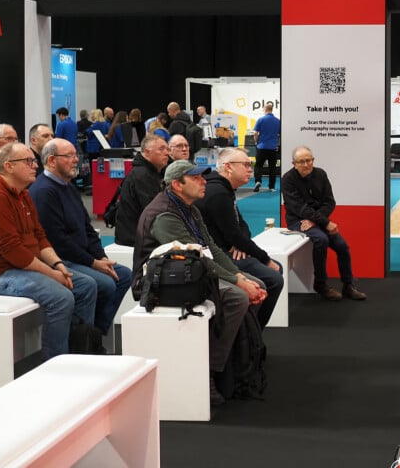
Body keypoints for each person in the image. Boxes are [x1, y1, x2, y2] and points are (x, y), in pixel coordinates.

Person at [134, 160, 265, 406]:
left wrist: (241, 276)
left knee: (256, 284)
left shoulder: (189, 207)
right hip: (160, 282)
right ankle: (211, 371)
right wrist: (239, 282)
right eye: (196, 178)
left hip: (185, 274)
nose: (204, 181)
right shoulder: (164, 214)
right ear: (177, 184)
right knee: (238, 297)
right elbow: (199, 260)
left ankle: (237, 356)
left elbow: (210, 248)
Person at [0, 142, 97, 359]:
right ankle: (55, 362)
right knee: (61, 297)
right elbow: (13, 251)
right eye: (28, 161)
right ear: (8, 166)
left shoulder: (23, 195)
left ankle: (81, 350)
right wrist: (52, 274)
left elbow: (40, 237)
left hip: (22, 267)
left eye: (34, 160)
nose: (35, 165)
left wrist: (59, 265)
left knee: (85, 286)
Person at [30, 138, 132, 336]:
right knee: (98, 283)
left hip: (81, 256)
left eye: (75, 154)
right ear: (51, 160)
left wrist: (101, 257)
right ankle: (81, 341)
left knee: (123, 275)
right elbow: (57, 241)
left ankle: (95, 333)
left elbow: (88, 228)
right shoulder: (44, 192)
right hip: (60, 260)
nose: (76, 159)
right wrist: (93, 263)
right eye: (69, 156)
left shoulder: (67, 186)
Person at [195, 148, 284, 328]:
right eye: (245, 165)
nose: (250, 169)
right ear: (228, 167)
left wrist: (240, 243)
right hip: (218, 256)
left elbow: (241, 226)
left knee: (274, 272)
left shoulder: (224, 189)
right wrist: (264, 258)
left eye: (250, 165)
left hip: (229, 250)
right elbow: (233, 233)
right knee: (274, 277)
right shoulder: (218, 193)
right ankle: (251, 333)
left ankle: (250, 335)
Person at [281, 146, 367, 301]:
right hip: (297, 221)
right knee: (322, 240)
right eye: (302, 162)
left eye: (309, 160)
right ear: (293, 163)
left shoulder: (320, 174)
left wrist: (316, 220)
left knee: (342, 246)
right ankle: (320, 284)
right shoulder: (288, 180)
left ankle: (348, 285)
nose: (306, 164)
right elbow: (298, 207)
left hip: (316, 220)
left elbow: (329, 202)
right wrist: (324, 222)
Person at [114, 135, 169, 246]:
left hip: (139, 234)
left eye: (167, 149)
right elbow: (154, 211)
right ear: (147, 153)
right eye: (161, 149)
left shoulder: (149, 172)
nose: (167, 153)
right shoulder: (143, 175)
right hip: (136, 238)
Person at [252, 102, 281, 192]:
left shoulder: (261, 119)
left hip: (262, 147)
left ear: (265, 110)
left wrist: (256, 142)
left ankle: (258, 181)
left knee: (258, 165)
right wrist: (276, 143)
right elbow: (279, 134)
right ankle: (271, 187)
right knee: (272, 168)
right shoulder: (278, 121)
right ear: (271, 110)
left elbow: (255, 133)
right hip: (273, 148)